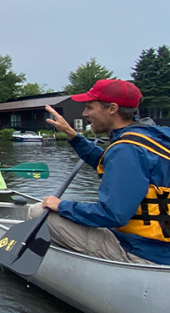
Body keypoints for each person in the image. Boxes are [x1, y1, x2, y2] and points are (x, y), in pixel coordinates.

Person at [32, 79, 170, 265]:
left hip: (142, 252)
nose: (85, 113)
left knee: (38, 212)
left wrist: (63, 205)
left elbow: (113, 214)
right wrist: (73, 135)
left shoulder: (126, 149)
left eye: (90, 107)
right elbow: (110, 163)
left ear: (112, 109)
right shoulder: (153, 139)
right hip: (159, 246)